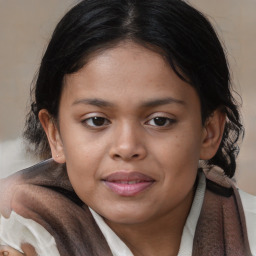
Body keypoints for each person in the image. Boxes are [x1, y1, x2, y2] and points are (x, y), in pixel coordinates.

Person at [0, 0, 255, 255]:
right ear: (55, 135)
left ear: (208, 131)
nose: (127, 147)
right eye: (96, 120)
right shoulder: (17, 231)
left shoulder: (248, 231)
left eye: (159, 120)